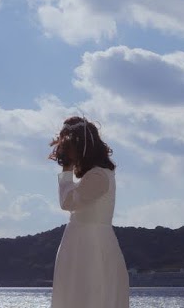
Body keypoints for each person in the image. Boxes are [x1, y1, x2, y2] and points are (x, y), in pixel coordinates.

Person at [47, 116, 129, 308]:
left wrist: (66, 171)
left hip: (89, 246)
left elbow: (67, 202)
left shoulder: (98, 176)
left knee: (88, 293)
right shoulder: (97, 175)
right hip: (85, 243)